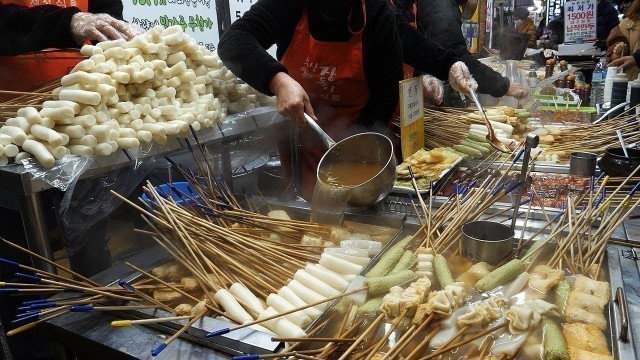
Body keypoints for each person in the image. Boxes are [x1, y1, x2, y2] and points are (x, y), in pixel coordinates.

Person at [218, 0, 406, 200]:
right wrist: (279, 82)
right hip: (302, 132)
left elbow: (386, 92)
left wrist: (355, 148)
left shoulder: (376, 12)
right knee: (310, 208)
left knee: (357, 205)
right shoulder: (288, 5)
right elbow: (234, 41)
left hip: (358, 132)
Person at [0, 0, 140, 101]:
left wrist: (121, 36)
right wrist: (67, 22)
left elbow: (106, 13)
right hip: (13, 102)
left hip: (83, 103)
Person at [405, 0, 528, 99]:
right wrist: (502, 85)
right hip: (417, 90)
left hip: (413, 85)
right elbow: (457, 55)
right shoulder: (441, 5)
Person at [606, 0, 640, 79]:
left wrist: (637, 58)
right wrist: (618, 52)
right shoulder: (626, 24)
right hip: (632, 83)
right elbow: (614, 60)